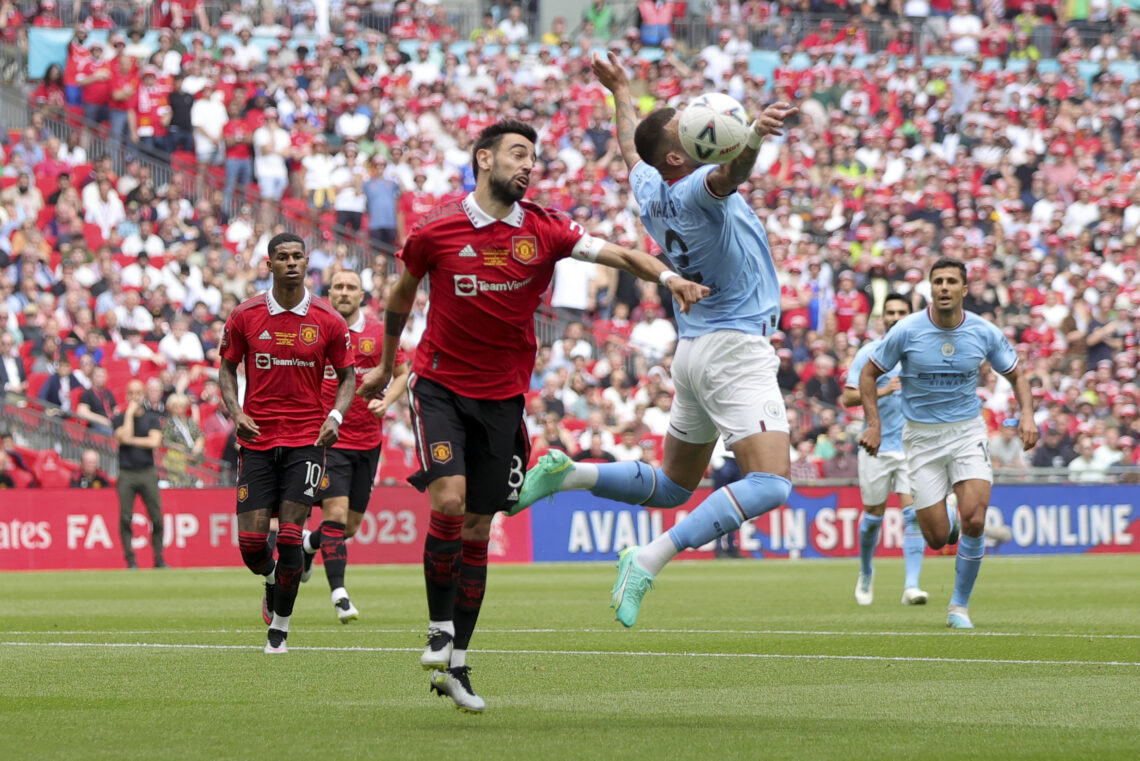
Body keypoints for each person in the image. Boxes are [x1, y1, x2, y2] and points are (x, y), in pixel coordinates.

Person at [355, 120, 707, 712]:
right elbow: (401, 292)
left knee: (476, 528)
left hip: (503, 400)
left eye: (534, 157)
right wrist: (389, 362)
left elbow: (617, 253)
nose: (529, 165)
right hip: (439, 385)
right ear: (483, 158)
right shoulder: (436, 229)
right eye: (518, 154)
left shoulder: (545, 229)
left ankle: (458, 664)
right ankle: (439, 627)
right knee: (447, 503)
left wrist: (668, 276)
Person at [512, 53, 798, 629]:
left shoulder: (650, 185)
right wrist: (753, 141)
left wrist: (621, 90)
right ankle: (647, 559)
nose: (691, 123)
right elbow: (729, 177)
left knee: (671, 487)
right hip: (733, 347)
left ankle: (570, 475)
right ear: (677, 155)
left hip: (694, 351)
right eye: (682, 127)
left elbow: (628, 145)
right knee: (770, 484)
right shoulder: (695, 189)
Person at [859, 258, 1038, 630]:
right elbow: (869, 373)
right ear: (929, 288)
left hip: (966, 432)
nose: (943, 287)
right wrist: (874, 425)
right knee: (937, 536)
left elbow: (1018, 375)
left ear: (963, 288)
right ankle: (948, 516)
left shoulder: (983, 331)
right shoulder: (906, 331)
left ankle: (959, 607)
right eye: (937, 281)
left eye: (950, 281)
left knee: (975, 519)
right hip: (921, 438)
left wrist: (1027, 416)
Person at [219, 232, 355, 654]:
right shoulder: (245, 315)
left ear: (307, 262)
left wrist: (335, 415)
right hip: (258, 440)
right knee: (251, 546)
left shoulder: (329, 319)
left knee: (292, 535)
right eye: (283, 257)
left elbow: (347, 375)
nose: (291, 263)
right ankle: (272, 577)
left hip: (306, 440)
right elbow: (225, 369)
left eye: (298, 256)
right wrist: (236, 413)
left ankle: (280, 627)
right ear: (269, 264)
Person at [300, 270, 409, 623]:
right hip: (329, 439)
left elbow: (403, 372)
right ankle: (340, 595)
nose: (344, 292)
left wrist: (387, 400)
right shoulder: (314, 329)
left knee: (347, 528)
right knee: (333, 515)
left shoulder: (379, 333)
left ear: (363, 295)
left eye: (351, 288)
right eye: (338, 287)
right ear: (328, 292)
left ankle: (307, 545)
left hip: (368, 442)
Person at [842, 293, 927, 607]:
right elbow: (847, 399)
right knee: (873, 519)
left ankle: (911, 586)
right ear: (882, 318)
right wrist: (883, 389)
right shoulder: (870, 353)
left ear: (910, 315)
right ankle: (866, 571)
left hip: (911, 448)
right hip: (876, 446)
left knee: (913, 516)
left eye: (900, 312)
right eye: (889, 312)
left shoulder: (921, 352)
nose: (894, 317)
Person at [114, 379, 165, 569]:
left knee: (157, 517)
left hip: (147, 471)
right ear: (127, 396)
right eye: (131, 393)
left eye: (138, 393)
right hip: (127, 472)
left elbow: (154, 442)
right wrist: (128, 413)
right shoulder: (120, 418)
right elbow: (122, 436)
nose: (135, 397)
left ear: (143, 395)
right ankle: (130, 559)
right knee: (125, 517)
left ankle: (158, 558)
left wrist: (131, 440)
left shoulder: (151, 418)